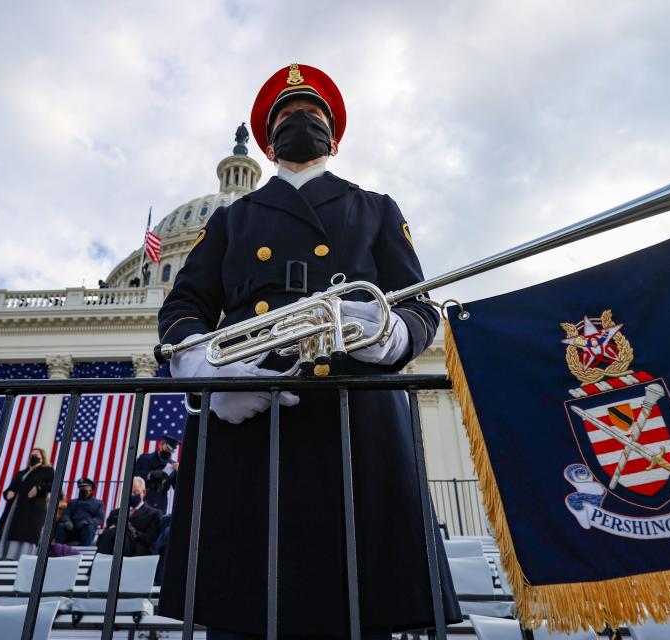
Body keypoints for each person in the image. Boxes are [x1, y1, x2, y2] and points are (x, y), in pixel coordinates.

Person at [156, 64, 459, 637]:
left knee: (359, 607)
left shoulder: (375, 208)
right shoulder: (231, 220)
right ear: (269, 141)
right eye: (289, 118)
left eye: (314, 118)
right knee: (244, 609)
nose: (302, 125)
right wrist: (204, 370)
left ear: (334, 139)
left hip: (355, 419)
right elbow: (182, 308)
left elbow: (423, 308)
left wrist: (391, 334)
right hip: (250, 420)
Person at [0, 447, 54, 560]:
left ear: (42, 458)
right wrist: (8, 493)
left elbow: (54, 485)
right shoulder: (22, 473)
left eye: (36, 456)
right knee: (11, 531)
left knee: (27, 534)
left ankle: (24, 558)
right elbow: (10, 488)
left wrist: (39, 487)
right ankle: (7, 556)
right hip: (16, 507)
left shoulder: (47, 470)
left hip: (33, 508)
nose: (33, 457)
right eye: (32, 455)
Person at [95, 476, 161, 557]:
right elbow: (101, 539)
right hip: (110, 552)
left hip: (136, 555)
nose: (132, 495)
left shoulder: (154, 514)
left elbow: (150, 540)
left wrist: (130, 529)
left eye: (135, 492)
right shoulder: (115, 513)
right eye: (128, 492)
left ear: (143, 492)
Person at [132, 435, 179, 513]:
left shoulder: (173, 466)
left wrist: (179, 473)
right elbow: (134, 474)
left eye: (172, 451)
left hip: (159, 505)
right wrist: (151, 474)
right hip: (142, 501)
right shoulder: (144, 458)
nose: (169, 452)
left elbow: (177, 487)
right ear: (160, 445)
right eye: (167, 448)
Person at [55, 477, 105, 546]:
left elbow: (99, 519)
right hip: (72, 529)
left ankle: (84, 550)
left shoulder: (98, 503)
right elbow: (66, 514)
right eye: (80, 488)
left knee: (89, 528)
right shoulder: (72, 502)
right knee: (61, 526)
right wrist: (67, 521)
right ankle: (58, 548)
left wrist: (87, 522)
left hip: (85, 530)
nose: (82, 490)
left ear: (90, 490)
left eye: (84, 488)